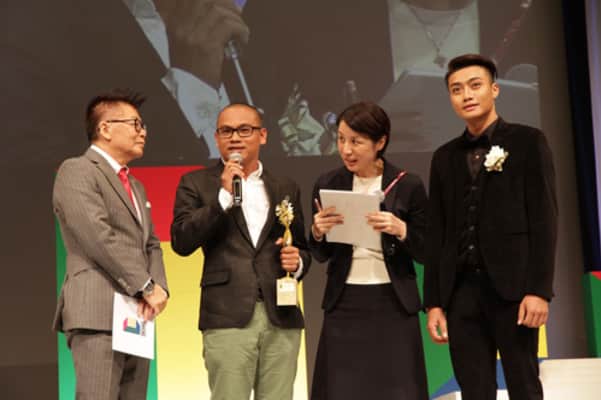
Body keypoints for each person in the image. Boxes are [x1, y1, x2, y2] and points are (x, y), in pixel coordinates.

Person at [424, 54, 557, 400]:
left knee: (524, 385)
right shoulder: (444, 157)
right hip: (461, 295)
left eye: (475, 85)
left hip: (514, 292)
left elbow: (544, 220)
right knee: (473, 389)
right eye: (456, 89)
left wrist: (539, 290)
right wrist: (434, 302)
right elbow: (438, 233)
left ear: (494, 89)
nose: (466, 95)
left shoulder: (528, 142)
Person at [170, 103, 311, 400]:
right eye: (226, 131)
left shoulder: (285, 186)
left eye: (244, 130)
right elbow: (182, 241)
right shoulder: (196, 183)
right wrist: (223, 197)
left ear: (263, 135)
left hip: (281, 314)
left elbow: (302, 247)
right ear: (216, 138)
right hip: (227, 314)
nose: (234, 137)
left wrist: (297, 262)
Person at [52, 89, 169, 398]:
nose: (142, 132)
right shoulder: (77, 170)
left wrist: (159, 288)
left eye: (143, 125)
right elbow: (97, 237)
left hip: (137, 315)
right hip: (97, 311)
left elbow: (151, 243)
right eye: (135, 124)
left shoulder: (136, 186)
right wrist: (145, 285)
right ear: (105, 128)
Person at [309, 101, 429, 399]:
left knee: (397, 386)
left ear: (380, 142)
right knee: (343, 388)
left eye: (356, 141)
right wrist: (317, 232)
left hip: (393, 301)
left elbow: (427, 250)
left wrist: (401, 229)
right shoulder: (328, 183)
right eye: (341, 139)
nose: (346, 150)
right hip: (345, 301)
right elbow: (320, 254)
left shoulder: (408, 185)